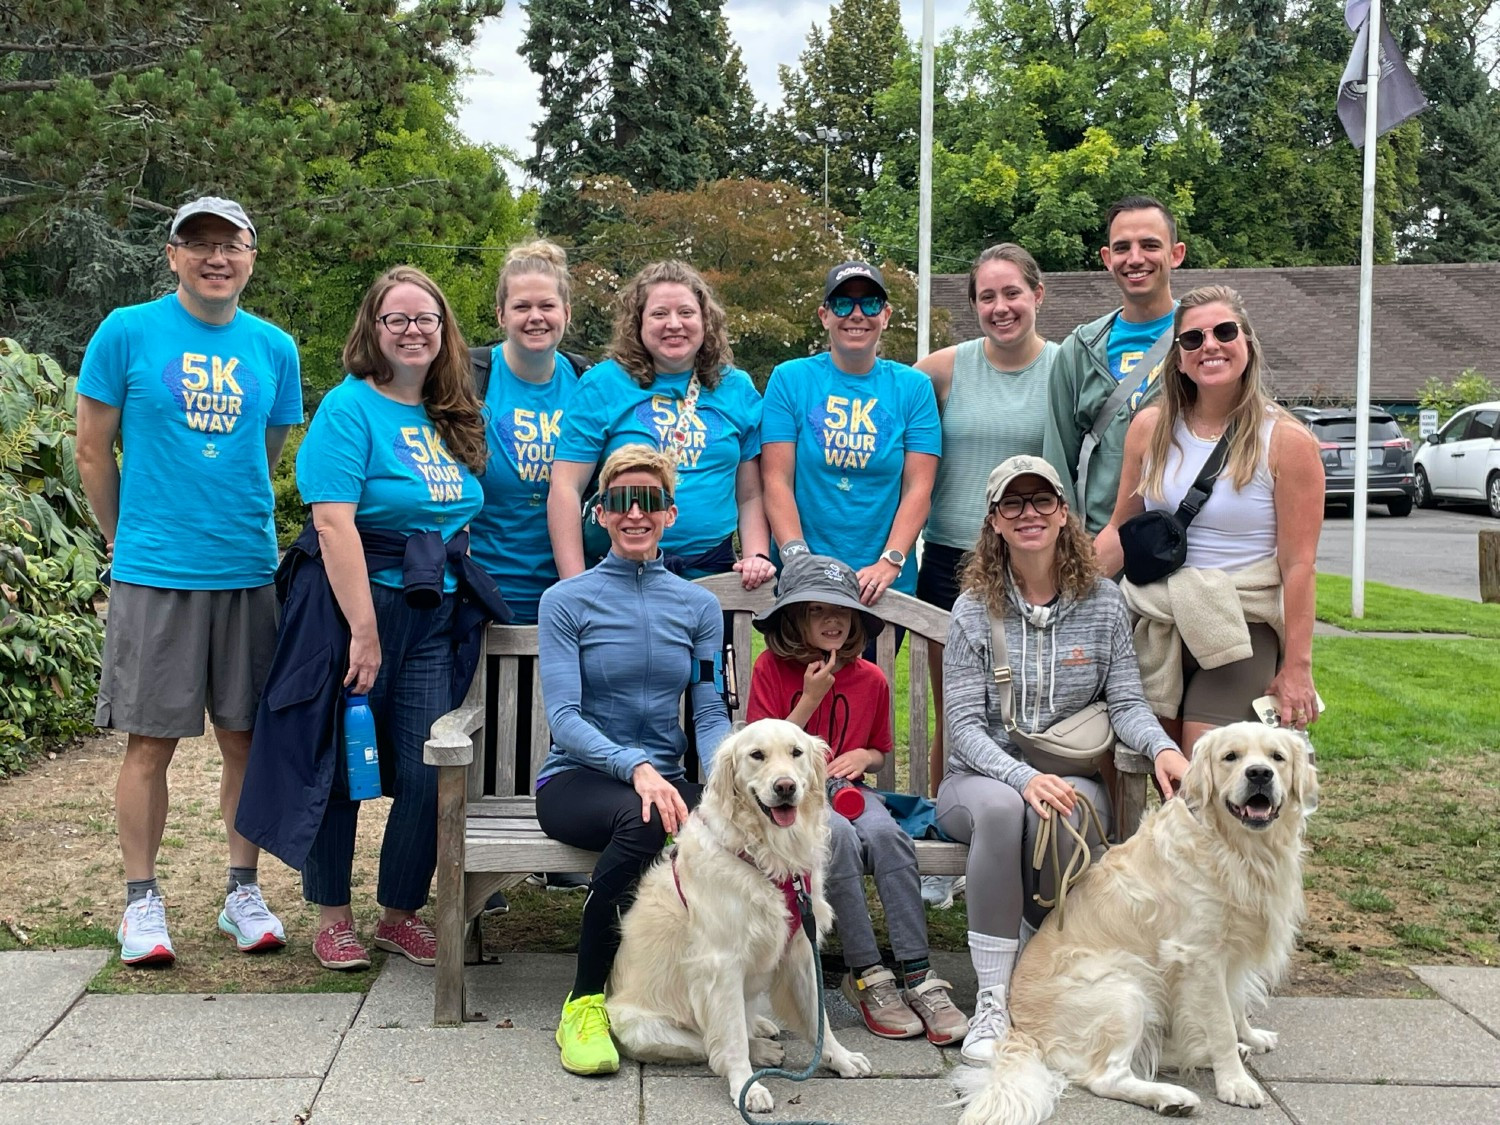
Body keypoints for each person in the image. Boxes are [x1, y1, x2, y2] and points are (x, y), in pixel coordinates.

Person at [237, 265, 502, 972]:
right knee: (340, 763)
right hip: (353, 609)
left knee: (427, 767)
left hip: (433, 612)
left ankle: (398, 912)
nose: (413, 331)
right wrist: (363, 630)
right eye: (398, 320)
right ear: (373, 330)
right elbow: (333, 523)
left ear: (444, 332)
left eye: (427, 320)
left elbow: (463, 513)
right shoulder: (350, 409)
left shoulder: (453, 412)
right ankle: (331, 916)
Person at [75, 196, 303, 966]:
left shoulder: (275, 348)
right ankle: (141, 902)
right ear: (172, 255)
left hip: (245, 570)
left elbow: (266, 450)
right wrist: (125, 541)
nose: (216, 257)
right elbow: (91, 451)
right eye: (198, 242)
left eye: (230, 243)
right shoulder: (126, 331)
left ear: (251, 255)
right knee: (149, 743)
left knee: (246, 740)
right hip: (155, 573)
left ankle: (243, 892)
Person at [937, 455, 1188, 1067]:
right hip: (978, 779)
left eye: (1041, 501)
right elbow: (964, 728)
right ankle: (994, 999)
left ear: (1063, 513)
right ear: (993, 522)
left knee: (1064, 807)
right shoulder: (974, 609)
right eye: (1013, 504)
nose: (1029, 514)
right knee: (1003, 811)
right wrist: (1024, 778)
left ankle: (1038, 971)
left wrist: (1164, 748)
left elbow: (1125, 701)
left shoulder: (1103, 603)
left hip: (1071, 777)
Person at [535, 444, 731, 1077]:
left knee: (738, 832)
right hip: (577, 779)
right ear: (600, 513)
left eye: (649, 502)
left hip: (663, 782)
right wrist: (636, 767)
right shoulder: (566, 601)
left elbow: (706, 711)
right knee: (646, 819)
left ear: (669, 513)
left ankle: (709, 994)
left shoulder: (699, 608)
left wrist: (731, 778)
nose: (635, 514)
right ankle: (585, 1001)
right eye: (621, 502)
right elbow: (564, 717)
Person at [746, 553, 969, 1046]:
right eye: (817, 611)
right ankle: (866, 972)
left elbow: (879, 750)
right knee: (839, 838)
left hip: (848, 790)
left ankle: (917, 971)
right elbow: (759, 751)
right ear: (794, 618)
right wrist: (809, 697)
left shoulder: (871, 679)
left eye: (842, 613)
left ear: (856, 622)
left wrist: (859, 758)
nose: (832, 621)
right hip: (793, 800)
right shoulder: (771, 668)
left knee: (888, 835)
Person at [1100, 285, 1324, 753]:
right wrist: (1052, 590)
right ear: (1179, 357)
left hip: (1239, 622)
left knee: (1210, 764)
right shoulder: (1150, 429)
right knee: (1134, 755)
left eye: (1224, 332)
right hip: (1155, 615)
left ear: (1247, 343)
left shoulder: (1287, 441)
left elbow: (1299, 565)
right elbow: (1120, 532)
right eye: (1193, 339)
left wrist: (1298, 667)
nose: (1210, 346)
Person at [914, 242, 1058, 823]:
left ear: (1037, 295)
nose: (1001, 307)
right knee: (959, 709)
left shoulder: (1066, 367)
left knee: (1035, 706)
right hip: (952, 559)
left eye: (1012, 293)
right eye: (986, 296)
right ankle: (943, 827)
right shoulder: (942, 369)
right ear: (973, 303)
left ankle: (1033, 823)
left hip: (1033, 561)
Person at [467, 239, 590, 902]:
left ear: (566, 311)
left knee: (562, 711)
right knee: (491, 719)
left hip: (568, 575)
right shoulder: (473, 377)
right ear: (502, 311)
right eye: (522, 305)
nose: (535, 316)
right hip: (490, 574)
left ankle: (560, 842)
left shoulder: (586, 380)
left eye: (547, 304)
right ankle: (490, 863)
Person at [546, 260, 774, 589]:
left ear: (704, 320)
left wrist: (756, 555)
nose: (674, 324)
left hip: (714, 575)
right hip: (623, 573)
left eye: (686, 312)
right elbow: (565, 488)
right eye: (659, 314)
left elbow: (750, 494)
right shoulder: (602, 385)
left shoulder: (736, 388)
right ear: (638, 322)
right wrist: (575, 584)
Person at [762, 261, 940, 619]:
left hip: (882, 585)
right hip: (804, 581)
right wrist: (797, 560)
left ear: (886, 315)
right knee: (802, 675)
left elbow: (919, 486)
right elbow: (775, 479)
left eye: (870, 303)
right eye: (843, 304)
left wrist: (890, 562)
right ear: (825, 316)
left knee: (872, 677)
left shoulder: (913, 388)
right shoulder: (789, 379)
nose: (856, 314)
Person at [1042, 195, 1186, 538]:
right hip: (1099, 546)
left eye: (1150, 245)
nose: (1135, 259)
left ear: (1176, 253)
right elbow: (1056, 464)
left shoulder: (1207, 340)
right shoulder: (1079, 350)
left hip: (1188, 545)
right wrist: (1070, 548)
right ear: (1107, 258)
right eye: (1122, 248)